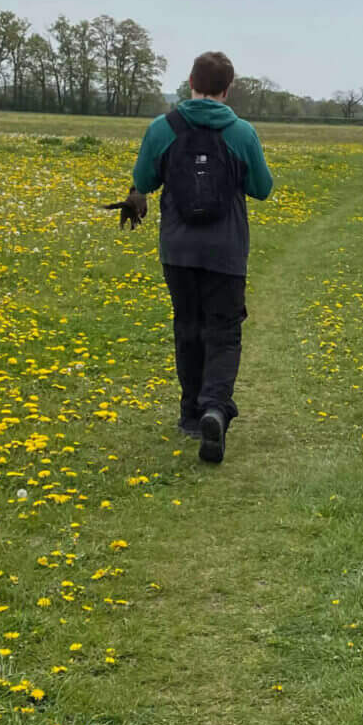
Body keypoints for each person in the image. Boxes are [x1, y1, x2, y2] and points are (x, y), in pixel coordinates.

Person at [125, 50, 274, 465]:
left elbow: (143, 180)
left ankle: (191, 414)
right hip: (226, 251)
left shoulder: (164, 127)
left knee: (187, 327)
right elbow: (263, 188)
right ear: (228, 88)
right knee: (224, 332)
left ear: (190, 81)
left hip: (177, 249)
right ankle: (214, 407)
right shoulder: (241, 132)